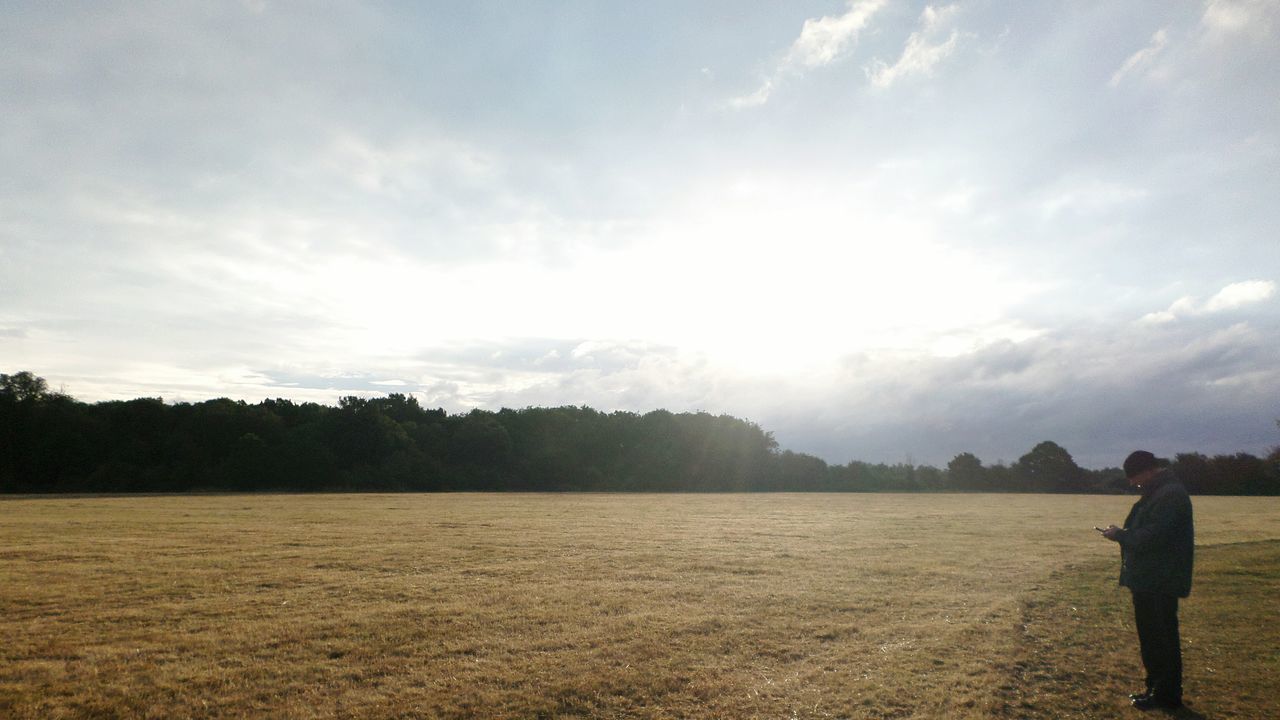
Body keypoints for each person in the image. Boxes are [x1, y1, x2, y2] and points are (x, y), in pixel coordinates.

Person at [1100, 450, 1194, 711]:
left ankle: (1166, 695)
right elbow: (1148, 531)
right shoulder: (1160, 492)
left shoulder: (1169, 494)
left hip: (1159, 580)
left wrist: (1120, 535)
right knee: (1152, 638)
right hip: (1151, 579)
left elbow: (1152, 537)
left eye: (1134, 476)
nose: (1132, 482)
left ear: (1149, 470)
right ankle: (1156, 690)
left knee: (1160, 639)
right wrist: (1124, 534)